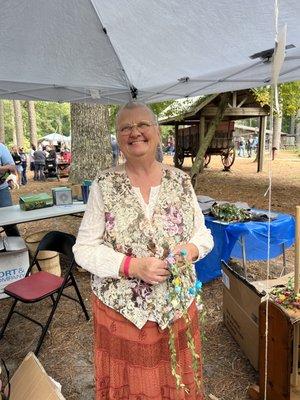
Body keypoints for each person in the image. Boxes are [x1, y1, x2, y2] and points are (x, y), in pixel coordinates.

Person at [73, 102, 214, 399]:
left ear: (158, 133)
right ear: (118, 138)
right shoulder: (104, 184)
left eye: (142, 125)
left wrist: (188, 251)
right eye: (125, 127)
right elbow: (83, 249)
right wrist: (133, 267)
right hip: (122, 313)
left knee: (176, 382)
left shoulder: (181, 181)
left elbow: (203, 235)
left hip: (176, 306)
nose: (134, 132)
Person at [0, 143, 20, 236]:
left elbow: (12, 168)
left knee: (9, 222)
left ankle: (18, 248)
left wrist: (3, 170)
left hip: (1, 191)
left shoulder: (1, 147)